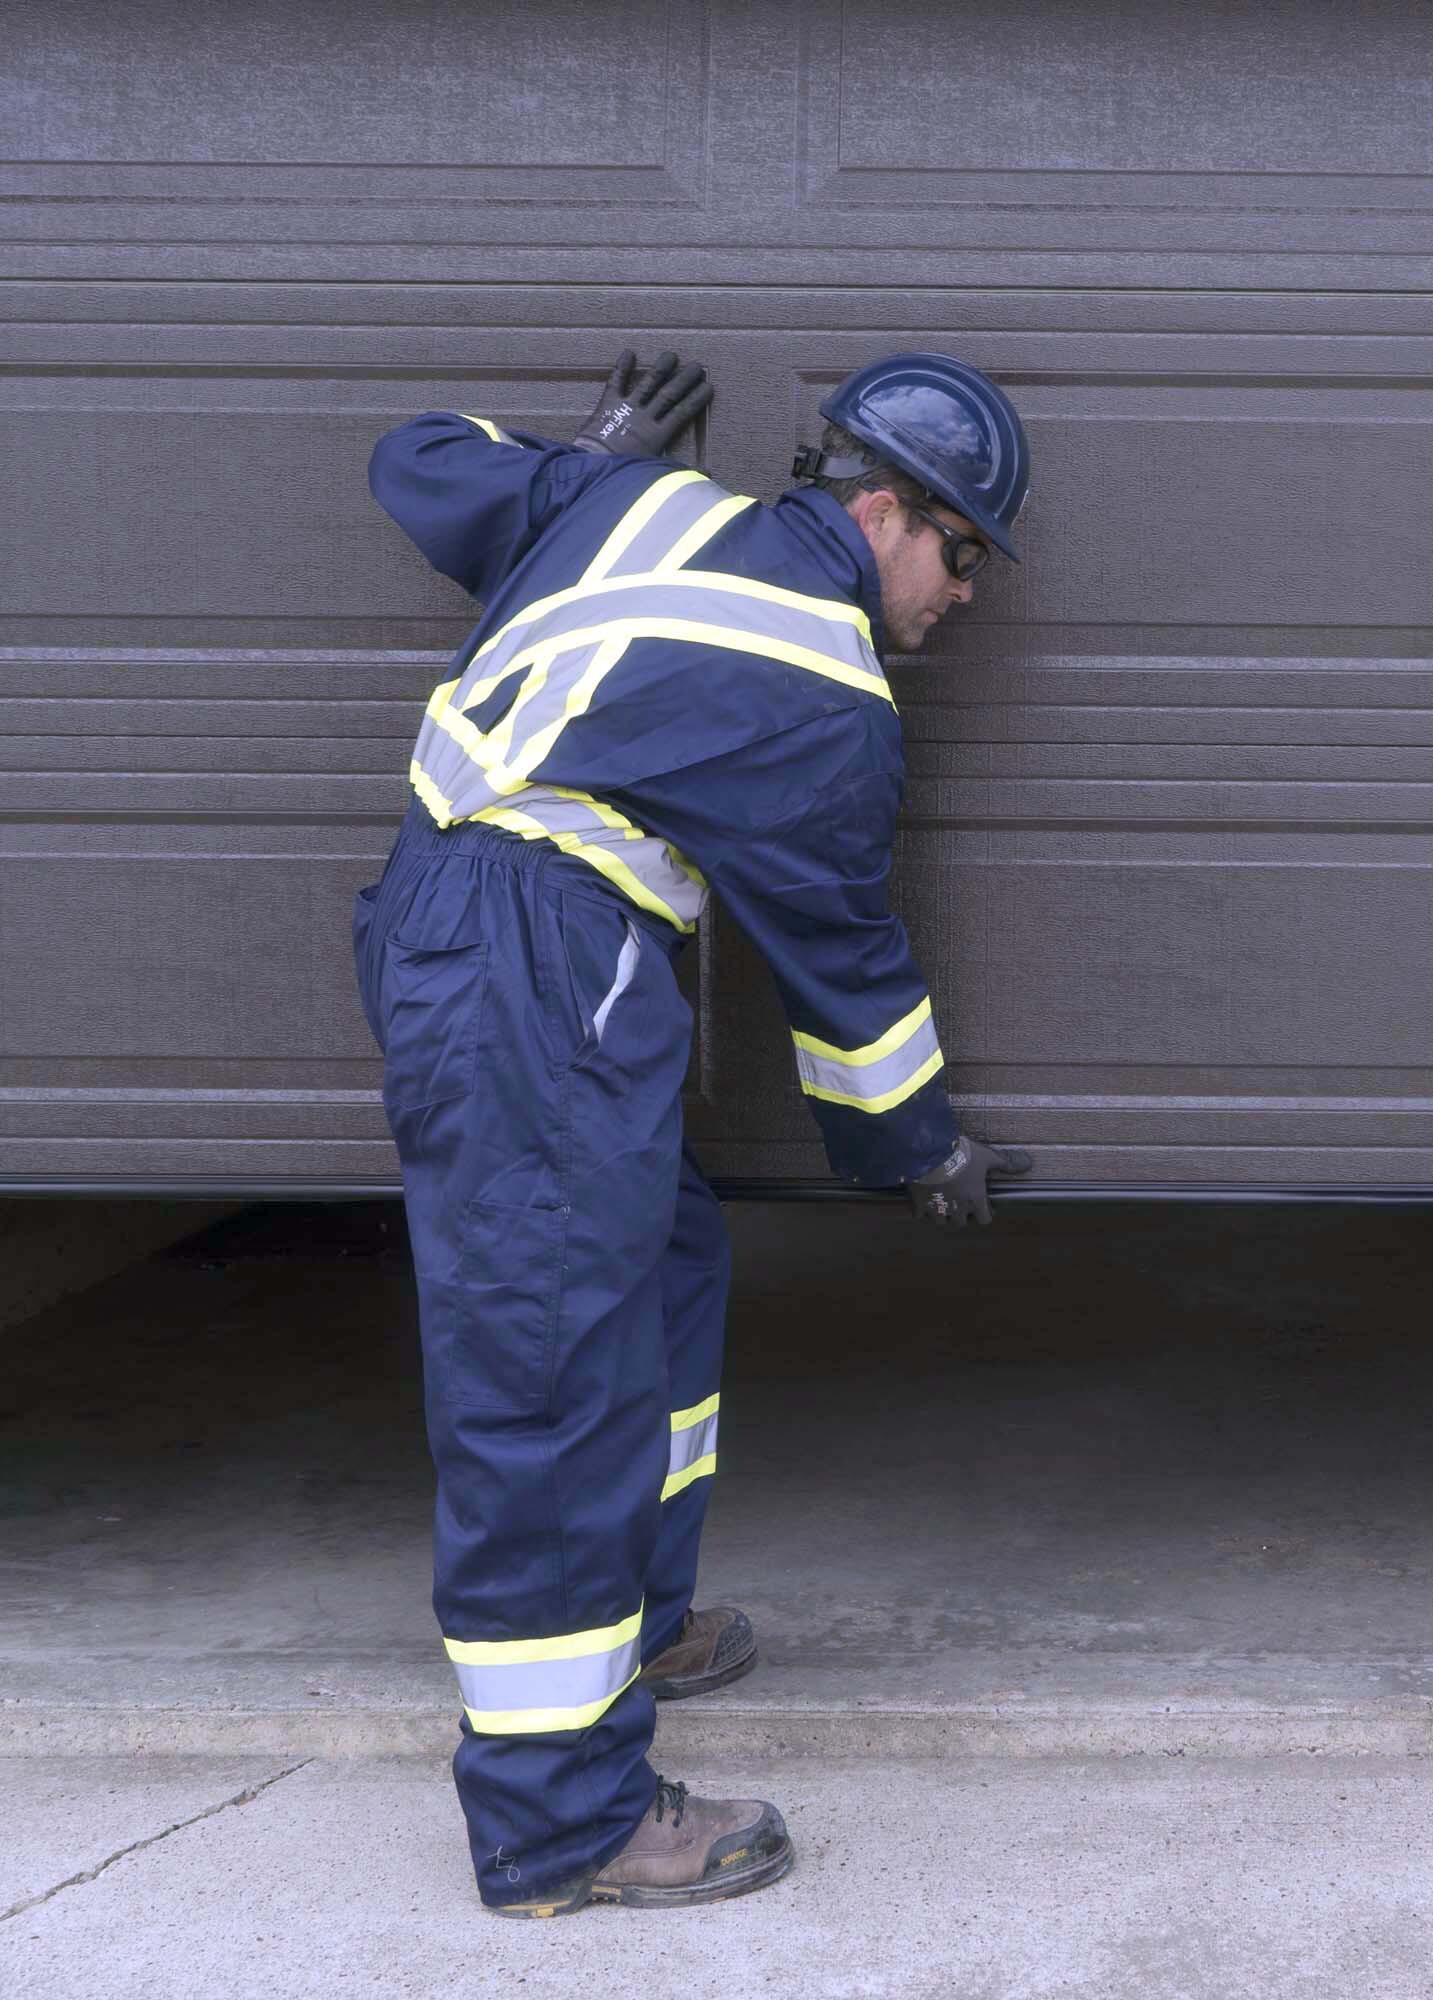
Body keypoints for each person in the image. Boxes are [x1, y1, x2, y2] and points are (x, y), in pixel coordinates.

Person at [353, 348, 1038, 1916]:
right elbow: (842, 962)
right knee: (548, 1375)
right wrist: (915, 1147)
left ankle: (637, 1618)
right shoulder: (824, 683)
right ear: (882, 509)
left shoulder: (631, 503)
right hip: (533, 966)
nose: (968, 593)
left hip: (486, 945)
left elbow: (419, 462)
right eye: (965, 551)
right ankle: (561, 1820)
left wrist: (579, 454)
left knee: (656, 1273)